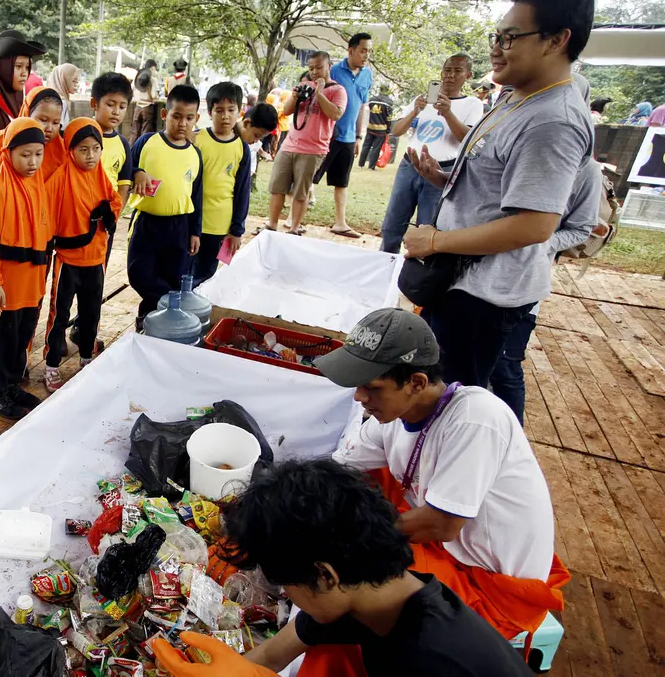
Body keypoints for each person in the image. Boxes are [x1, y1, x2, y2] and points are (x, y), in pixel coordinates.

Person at [313, 308, 568, 650]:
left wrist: (342, 537)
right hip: (443, 548)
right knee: (361, 483)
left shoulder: (476, 419)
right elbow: (340, 469)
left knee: (351, 588)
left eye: (372, 387)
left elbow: (443, 524)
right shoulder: (392, 416)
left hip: (488, 583)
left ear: (416, 382)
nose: (359, 397)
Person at [153, 458, 534, 677]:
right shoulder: (372, 590)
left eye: (286, 585)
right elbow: (271, 655)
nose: (286, 595)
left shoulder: (429, 658)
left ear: (324, 575)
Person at [403, 0, 596, 388]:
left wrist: (434, 240)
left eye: (510, 37)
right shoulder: (514, 97)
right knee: (435, 384)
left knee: (452, 397)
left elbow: (535, 225)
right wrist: (441, 177)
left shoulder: (553, 120)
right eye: (496, 35)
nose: (495, 48)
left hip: (484, 295)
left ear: (555, 40)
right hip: (458, 279)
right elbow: (493, 183)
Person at [490, 157, 600, 422]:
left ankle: (510, 441)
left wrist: (540, 242)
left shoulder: (586, 170)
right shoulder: (512, 153)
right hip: (475, 280)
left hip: (522, 287)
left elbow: (582, 228)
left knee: (505, 366)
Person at [42, 118, 122, 391]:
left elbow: (115, 201)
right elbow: (46, 215)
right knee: (59, 316)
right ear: (70, 150)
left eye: (96, 149)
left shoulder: (102, 177)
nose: (90, 156)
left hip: (96, 260)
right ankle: (51, 365)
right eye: (83, 149)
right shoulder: (60, 179)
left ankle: (87, 357)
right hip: (67, 261)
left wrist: (109, 211)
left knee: (91, 313)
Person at [0, 118, 50, 419]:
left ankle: (10, 385)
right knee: (3, 340)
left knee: (21, 338)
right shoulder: (1, 189)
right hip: (7, 286)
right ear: (8, 152)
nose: (33, 162)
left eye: (38, 153)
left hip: (30, 283)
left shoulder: (36, 184)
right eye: (25, 154)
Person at [379, 54, 485, 254]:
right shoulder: (421, 100)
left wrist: (448, 113)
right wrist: (414, 112)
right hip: (409, 166)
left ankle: (416, 275)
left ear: (468, 75)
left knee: (427, 227)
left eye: (457, 71)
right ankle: (384, 264)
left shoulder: (472, 104)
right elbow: (396, 131)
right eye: (447, 70)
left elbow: (468, 139)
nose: (450, 76)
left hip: (441, 172)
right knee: (393, 223)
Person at [127, 85, 203, 327]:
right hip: (147, 223)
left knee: (173, 278)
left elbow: (197, 195)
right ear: (164, 115)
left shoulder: (195, 154)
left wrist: (195, 231)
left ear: (196, 119)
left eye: (189, 118)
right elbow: (126, 169)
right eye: (176, 116)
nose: (182, 123)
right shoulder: (146, 142)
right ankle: (165, 304)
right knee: (139, 273)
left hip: (179, 227)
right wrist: (137, 172)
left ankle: (150, 322)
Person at [266, 53, 346, 234]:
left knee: (300, 192)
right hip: (289, 145)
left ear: (329, 65)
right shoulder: (303, 86)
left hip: (313, 149)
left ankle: (294, 228)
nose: (315, 72)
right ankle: (271, 225)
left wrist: (320, 93)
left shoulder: (337, 90)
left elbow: (336, 114)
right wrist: (295, 97)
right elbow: (286, 111)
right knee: (277, 187)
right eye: (311, 68)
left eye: (319, 67)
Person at [193, 82, 255, 284]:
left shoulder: (241, 148)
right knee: (183, 273)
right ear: (210, 112)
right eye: (219, 110)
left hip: (220, 225)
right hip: (192, 222)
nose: (225, 116)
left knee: (205, 276)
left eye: (231, 110)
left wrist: (237, 230)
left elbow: (242, 191)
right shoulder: (196, 140)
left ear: (240, 111)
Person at [313, 33, 374, 238]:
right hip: (326, 135)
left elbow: (361, 106)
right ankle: (292, 220)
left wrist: (359, 136)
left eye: (369, 51)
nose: (366, 55)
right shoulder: (334, 70)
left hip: (348, 137)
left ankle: (340, 222)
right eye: (363, 50)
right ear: (351, 50)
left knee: (342, 182)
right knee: (310, 177)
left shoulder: (367, 75)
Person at [0, 29, 48, 146]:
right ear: (2, 68)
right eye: (18, 66)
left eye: (27, 67)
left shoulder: (21, 99)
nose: (24, 73)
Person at [91, 72, 135, 212]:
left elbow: (123, 185)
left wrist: (115, 215)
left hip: (106, 219)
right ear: (94, 104)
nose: (116, 112)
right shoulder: (80, 135)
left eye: (122, 107)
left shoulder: (122, 144)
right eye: (110, 104)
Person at [358, 85, 395, 170]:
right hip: (381, 129)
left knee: (366, 146)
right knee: (376, 148)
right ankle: (371, 166)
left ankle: (361, 164)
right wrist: (388, 131)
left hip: (370, 126)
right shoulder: (389, 102)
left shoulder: (372, 100)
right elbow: (389, 118)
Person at [132, 59, 159, 137]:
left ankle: (131, 148)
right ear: (152, 68)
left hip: (137, 107)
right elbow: (154, 95)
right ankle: (143, 148)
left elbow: (132, 90)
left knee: (134, 131)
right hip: (148, 107)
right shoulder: (153, 80)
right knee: (145, 131)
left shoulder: (136, 78)